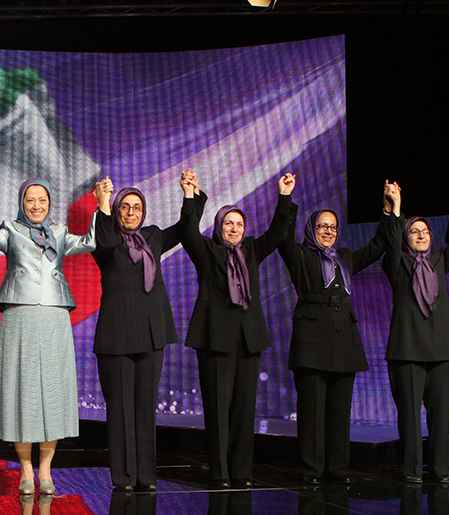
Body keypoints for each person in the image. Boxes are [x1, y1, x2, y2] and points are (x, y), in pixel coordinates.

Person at [0, 175, 111, 495]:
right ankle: (25, 469)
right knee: (21, 391)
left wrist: (102, 203)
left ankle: (46, 470)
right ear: (22, 203)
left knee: (51, 392)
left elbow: (91, 242)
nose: (36, 206)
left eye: (42, 201)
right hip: (19, 313)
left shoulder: (60, 232)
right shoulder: (11, 229)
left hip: (54, 314)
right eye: (30, 200)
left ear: (50, 203)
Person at [178, 172, 295, 488]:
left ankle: (241, 470)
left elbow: (279, 231)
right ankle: (220, 471)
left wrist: (284, 197)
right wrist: (190, 196)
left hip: (248, 338)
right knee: (217, 409)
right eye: (228, 223)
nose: (234, 228)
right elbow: (188, 231)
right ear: (219, 227)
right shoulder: (207, 251)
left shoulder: (253, 250)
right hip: (215, 339)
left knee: (245, 407)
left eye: (239, 224)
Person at [276, 183, 393, 486]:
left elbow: (379, 245)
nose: (327, 231)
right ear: (312, 229)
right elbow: (282, 237)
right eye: (322, 226)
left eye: (332, 227)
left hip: (344, 343)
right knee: (312, 412)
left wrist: (388, 211)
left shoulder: (346, 257)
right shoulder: (300, 255)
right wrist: (286, 198)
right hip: (312, 342)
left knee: (340, 414)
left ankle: (338, 470)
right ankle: (311, 472)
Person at [91, 171, 198, 492]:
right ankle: (123, 477)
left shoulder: (153, 236)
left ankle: (146, 476)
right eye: (125, 206)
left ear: (144, 211)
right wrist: (103, 203)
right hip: (116, 335)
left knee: (145, 406)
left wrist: (190, 195)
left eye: (136, 207)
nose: (131, 212)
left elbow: (185, 229)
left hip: (152, 332)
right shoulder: (105, 237)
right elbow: (106, 241)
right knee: (120, 408)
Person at [381, 180, 449, 484]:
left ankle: (442, 471)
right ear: (407, 238)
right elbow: (391, 242)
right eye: (414, 232)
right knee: (409, 417)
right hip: (406, 350)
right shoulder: (397, 263)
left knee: (441, 417)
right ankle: (412, 471)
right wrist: (395, 209)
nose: (421, 236)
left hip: (441, 349)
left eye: (425, 231)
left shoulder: (440, 261)